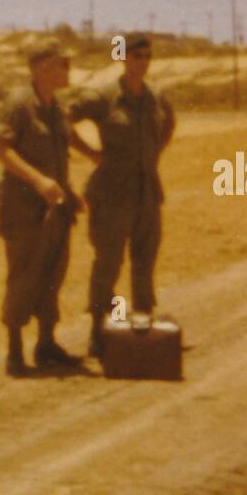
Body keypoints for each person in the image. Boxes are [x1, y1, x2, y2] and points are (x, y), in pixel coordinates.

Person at [67, 32, 175, 355]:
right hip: (112, 192)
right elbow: (64, 120)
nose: (141, 63)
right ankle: (97, 329)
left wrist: (154, 152)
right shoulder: (104, 95)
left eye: (147, 57)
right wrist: (91, 152)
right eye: (136, 56)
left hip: (147, 192)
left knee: (145, 260)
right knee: (109, 262)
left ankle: (142, 325)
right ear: (123, 57)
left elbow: (168, 124)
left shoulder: (155, 96)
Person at [0, 38, 94, 376]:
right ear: (42, 68)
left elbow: (59, 153)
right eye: (62, 64)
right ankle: (15, 351)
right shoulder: (19, 104)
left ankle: (46, 343)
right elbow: (2, 150)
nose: (68, 70)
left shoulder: (56, 108)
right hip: (22, 208)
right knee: (23, 274)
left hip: (55, 207)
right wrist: (38, 182)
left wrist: (69, 191)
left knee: (53, 274)